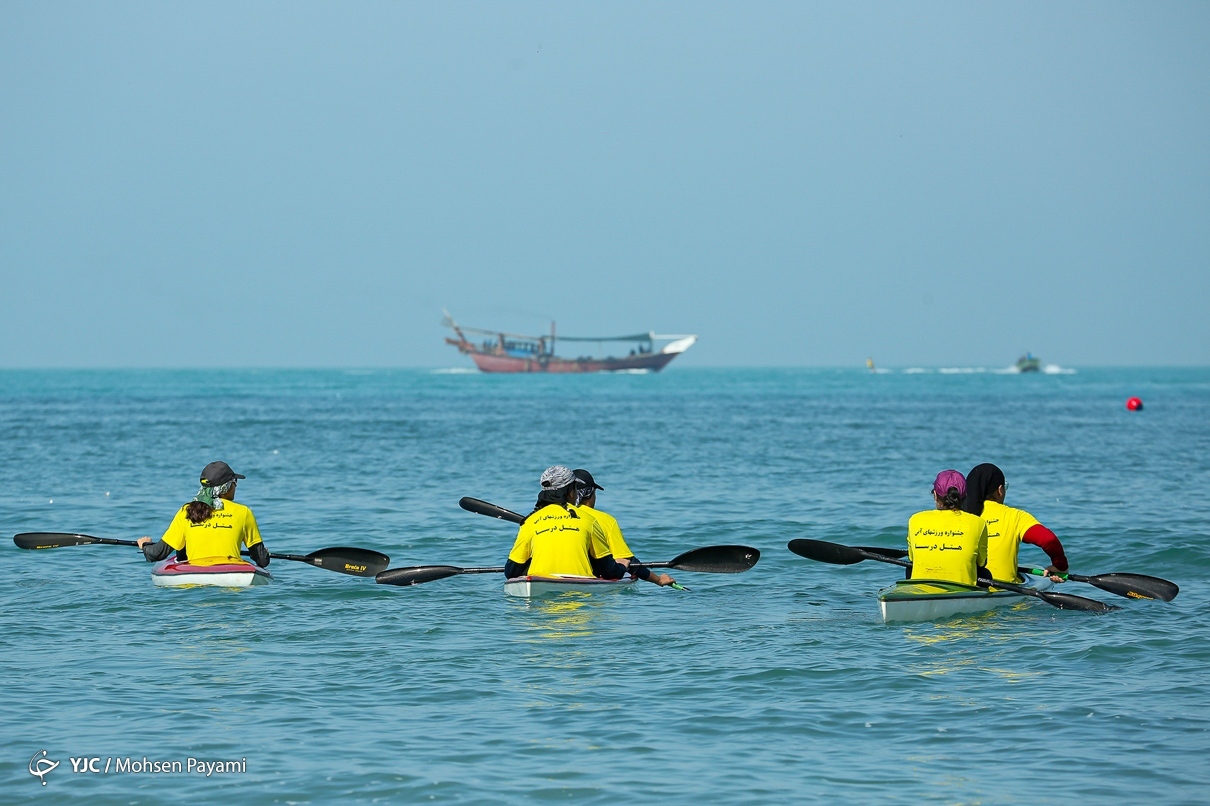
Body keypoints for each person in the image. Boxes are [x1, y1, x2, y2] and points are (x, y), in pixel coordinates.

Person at [505, 466, 666, 585]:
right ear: (570, 492)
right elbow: (609, 571)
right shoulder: (588, 520)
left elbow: (510, 572)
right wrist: (622, 566)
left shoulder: (529, 522)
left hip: (538, 596)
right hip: (581, 595)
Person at [137, 461, 269, 568]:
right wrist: (262, 554)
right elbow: (262, 561)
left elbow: (156, 554)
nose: (236, 486)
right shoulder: (244, 512)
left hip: (194, 580)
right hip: (230, 578)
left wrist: (145, 545)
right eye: (234, 482)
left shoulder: (186, 511)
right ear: (226, 487)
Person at [962, 463, 1068, 583]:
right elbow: (1048, 540)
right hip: (1002, 590)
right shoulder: (1015, 517)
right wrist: (1060, 566)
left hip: (962, 587)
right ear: (1000, 490)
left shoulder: (958, 515)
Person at [572, 468, 675, 587]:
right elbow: (626, 559)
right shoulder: (606, 520)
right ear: (589, 493)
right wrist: (658, 580)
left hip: (552, 575)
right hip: (589, 583)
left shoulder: (554, 516)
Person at [906, 469, 988, 586]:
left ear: (935, 495)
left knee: (909, 568)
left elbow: (912, 558)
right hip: (962, 591)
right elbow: (982, 562)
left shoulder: (915, 519)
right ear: (964, 497)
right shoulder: (978, 522)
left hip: (921, 591)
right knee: (985, 574)